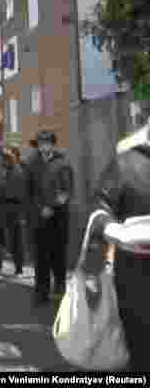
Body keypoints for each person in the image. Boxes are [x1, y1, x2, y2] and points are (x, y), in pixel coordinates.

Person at [88, 142, 150, 371]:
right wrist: (110, 228)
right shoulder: (125, 163)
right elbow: (100, 205)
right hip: (138, 273)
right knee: (142, 344)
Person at [27, 130, 73, 306]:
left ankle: (60, 286)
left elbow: (67, 190)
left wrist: (53, 206)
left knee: (58, 253)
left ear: (52, 144)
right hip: (38, 217)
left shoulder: (62, 163)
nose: (43, 146)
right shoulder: (32, 163)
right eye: (40, 143)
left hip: (58, 217)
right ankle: (41, 291)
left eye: (46, 143)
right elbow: (28, 191)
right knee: (40, 256)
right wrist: (40, 208)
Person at [0, 145, 30, 279]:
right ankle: (3, 270)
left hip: (11, 208)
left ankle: (16, 269)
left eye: (5, 156)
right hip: (2, 208)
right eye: (2, 156)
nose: (2, 159)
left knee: (13, 239)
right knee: (1, 240)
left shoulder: (19, 171)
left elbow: (24, 192)